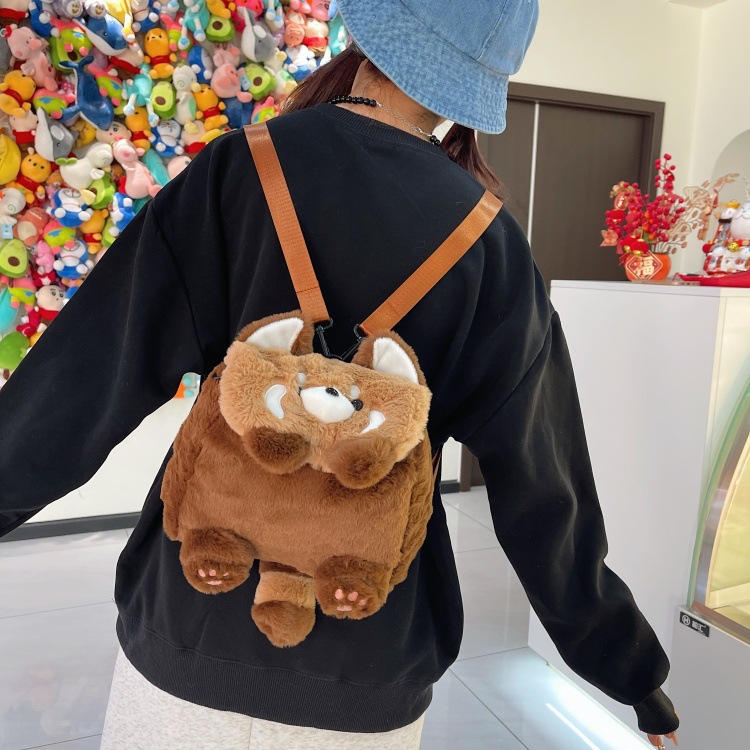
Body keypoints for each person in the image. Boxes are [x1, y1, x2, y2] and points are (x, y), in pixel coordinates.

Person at [0, 1, 681, 748]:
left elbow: (86, 377)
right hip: (371, 647)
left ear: (373, 33)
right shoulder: (492, 245)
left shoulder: (239, 169)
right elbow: (545, 490)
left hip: (191, 615)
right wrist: (632, 675)